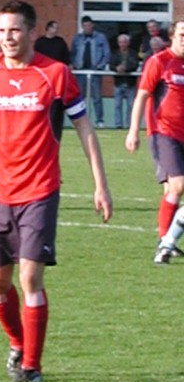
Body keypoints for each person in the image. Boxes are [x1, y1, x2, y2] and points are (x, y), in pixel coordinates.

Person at [0, 0, 112, 382]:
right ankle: (18, 342)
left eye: (14, 30)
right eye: (1, 31)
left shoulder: (55, 74)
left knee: (30, 278)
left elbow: (84, 127)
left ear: (31, 33)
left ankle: (32, 365)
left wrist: (100, 184)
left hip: (40, 190)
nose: (7, 37)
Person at [125, 17, 184, 264]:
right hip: (163, 133)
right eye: (182, 34)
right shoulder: (159, 61)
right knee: (178, 185)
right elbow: (141, 96)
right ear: (172, 36)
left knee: (171, 190)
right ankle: (166, 241)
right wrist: (133, 131)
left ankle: (166, 241)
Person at [71, 15, 111, 128]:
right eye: (85, 26)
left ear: (92, 25)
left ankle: (99, 121)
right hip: (81, 72)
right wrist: (75, 65)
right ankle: (80, 121)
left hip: (95, 71)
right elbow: (72, 53)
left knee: (97, 97)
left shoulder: (100, 37)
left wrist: (100, 66)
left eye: (89, 25)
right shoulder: (77, 38)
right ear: (82, 26)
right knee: (80, 97)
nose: (87, 28)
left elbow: (106, 54)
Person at [110, 33, 139, 129]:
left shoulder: (133, 53)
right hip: (118, 82)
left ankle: (129, 124)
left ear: (128, 43)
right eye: (121, 42)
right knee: (117, 105)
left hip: (130, 83)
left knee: (131, 105)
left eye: (124, 42)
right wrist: (116, 68)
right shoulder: (115, 53)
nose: (122, 44)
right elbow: (111, 65)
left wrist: (125, 68)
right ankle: (118, 124)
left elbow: (135, 65)